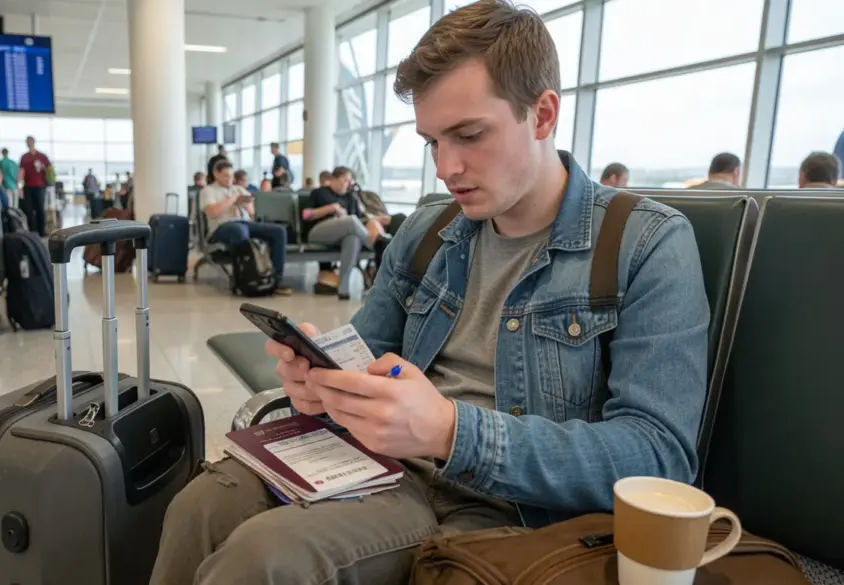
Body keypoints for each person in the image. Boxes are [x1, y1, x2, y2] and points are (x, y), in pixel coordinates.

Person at [150, 2, 708, 584]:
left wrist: (449, 430)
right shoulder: (429, 232)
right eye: (432, 142)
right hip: (380, 467)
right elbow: (363, 356)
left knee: (269, 558)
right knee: (200, 507)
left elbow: (659, 456)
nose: (446, 167)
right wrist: (317, 385)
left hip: (502, 505)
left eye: (469, 135)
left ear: (542, 114)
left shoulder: (644, 244)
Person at [201, 160, 292, 296]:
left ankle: (276, 280)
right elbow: (212, 212)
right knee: (239, 230)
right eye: (226, 176)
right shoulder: (208, 191)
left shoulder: (239, 189)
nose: (229, 179)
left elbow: (251, 212)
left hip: (245, 223)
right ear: (216, 174)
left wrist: (244, 204)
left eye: (231, 176)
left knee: (278, 231)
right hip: (222, 227)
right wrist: (231, 200)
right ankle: (243, 279)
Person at [304, 166, 389, 299]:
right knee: (351, 220)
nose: (348, 184)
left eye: (350, 181)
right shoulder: (319, 193)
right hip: (318, 232)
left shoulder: (350, 198)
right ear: (334, 179)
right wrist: (331, 208)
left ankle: (343, 289)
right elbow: (306, 215)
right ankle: (378, 244)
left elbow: (358, 222)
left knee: (353, 238)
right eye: (345, 180)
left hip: (341, 235)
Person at [18, 136, 52, 235]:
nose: (29, 144)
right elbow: (21, 171)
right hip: (28, 186)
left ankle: (41, 231)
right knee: (29, 209)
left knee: (40, 209)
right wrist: (20, 186)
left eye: (30, 142)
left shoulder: (42, 156)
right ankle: (32, 231)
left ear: (33, 143)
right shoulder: (24, 157)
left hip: (40, 186)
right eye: (27, 142)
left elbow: (49, 170)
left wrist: (42, 167)